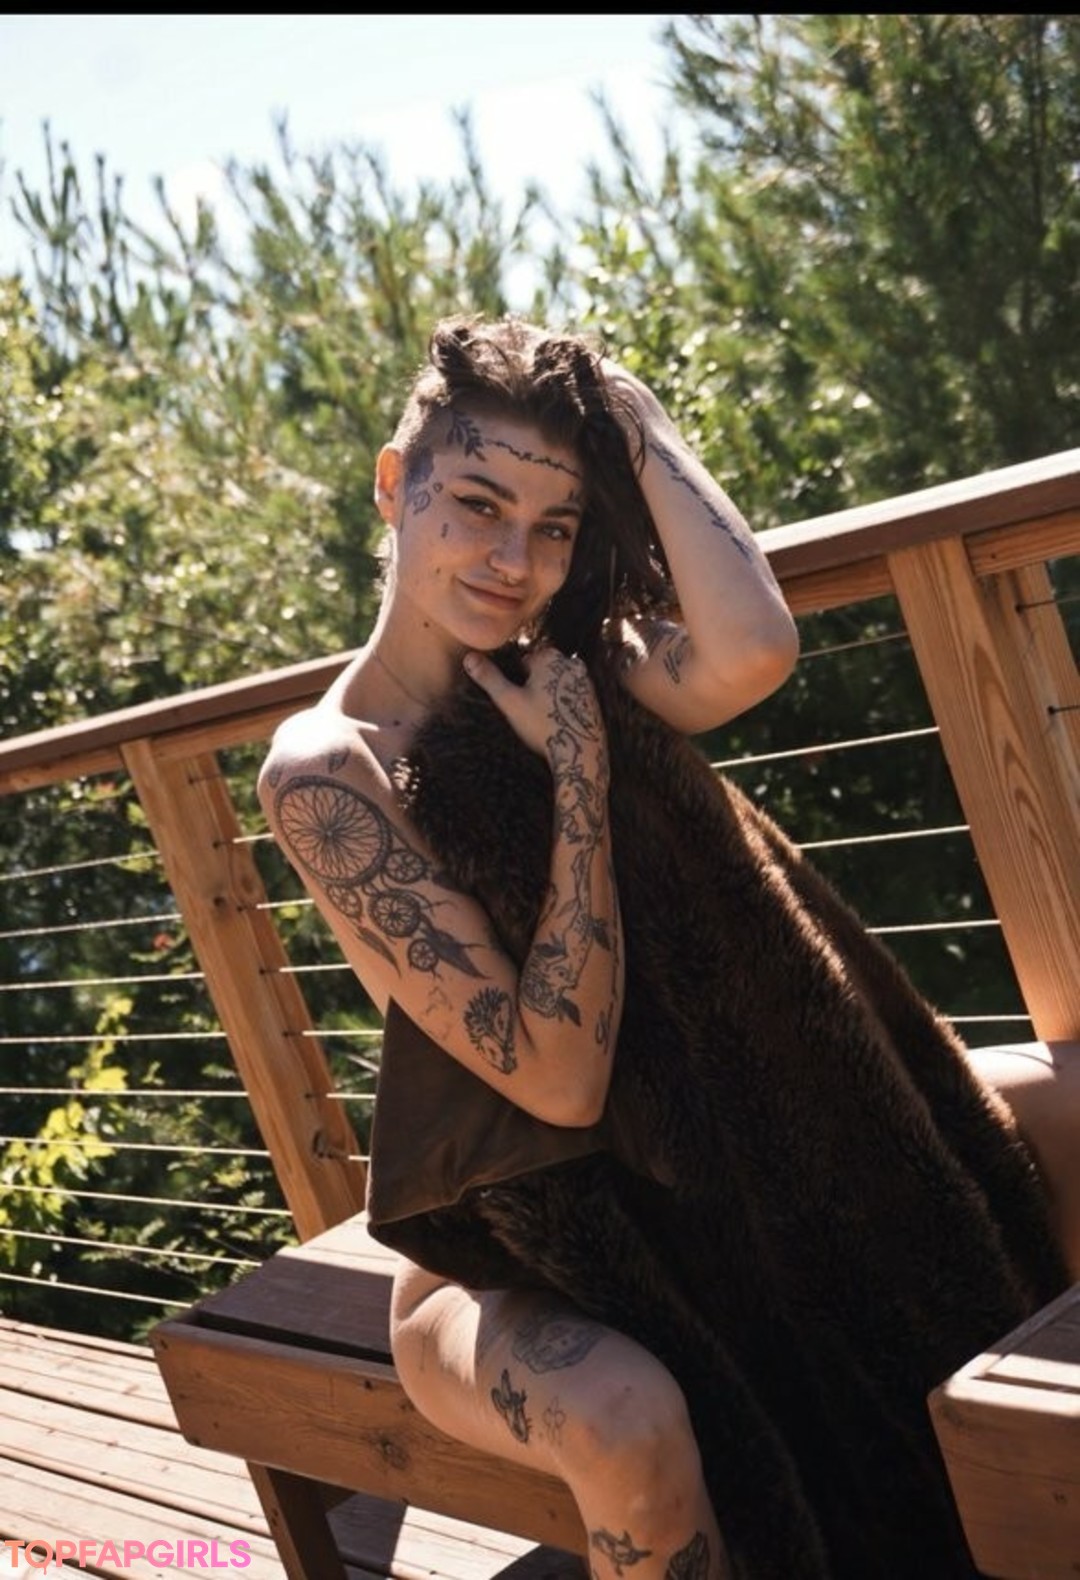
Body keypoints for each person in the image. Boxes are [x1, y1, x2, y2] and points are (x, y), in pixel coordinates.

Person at [258, 315, 1075, 1580]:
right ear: (392, 483)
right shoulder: (329, 768)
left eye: (557, 525)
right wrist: (577, 775)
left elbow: (755, 647)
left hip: (727, 1164)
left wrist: (622, 407)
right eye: (476, 504)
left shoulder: (569, 665)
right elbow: (557, 1077)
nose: (513, 559)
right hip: (522, 1250)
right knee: (626, 1417)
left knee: (1068, 1107)